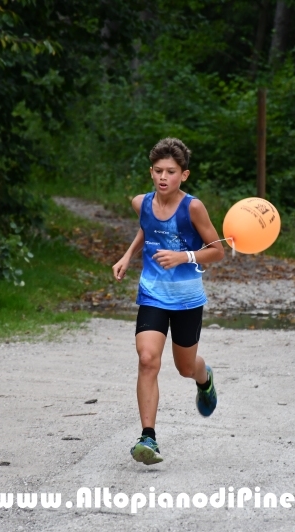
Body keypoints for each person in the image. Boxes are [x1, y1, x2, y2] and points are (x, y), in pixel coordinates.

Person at [112, 138, 225, 465]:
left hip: (187, 298)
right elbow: (146, 230)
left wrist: (183, 256)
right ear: (151, 171)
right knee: (147, 358)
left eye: (171, 172)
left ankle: (205, 379)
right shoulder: (140, 203)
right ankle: (148, 436)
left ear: (184, 175)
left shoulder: (193, 208)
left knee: (185, 367)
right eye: (158, 171)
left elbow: (217, 250)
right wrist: (127, 256)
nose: (164, 177)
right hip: (152, 294)